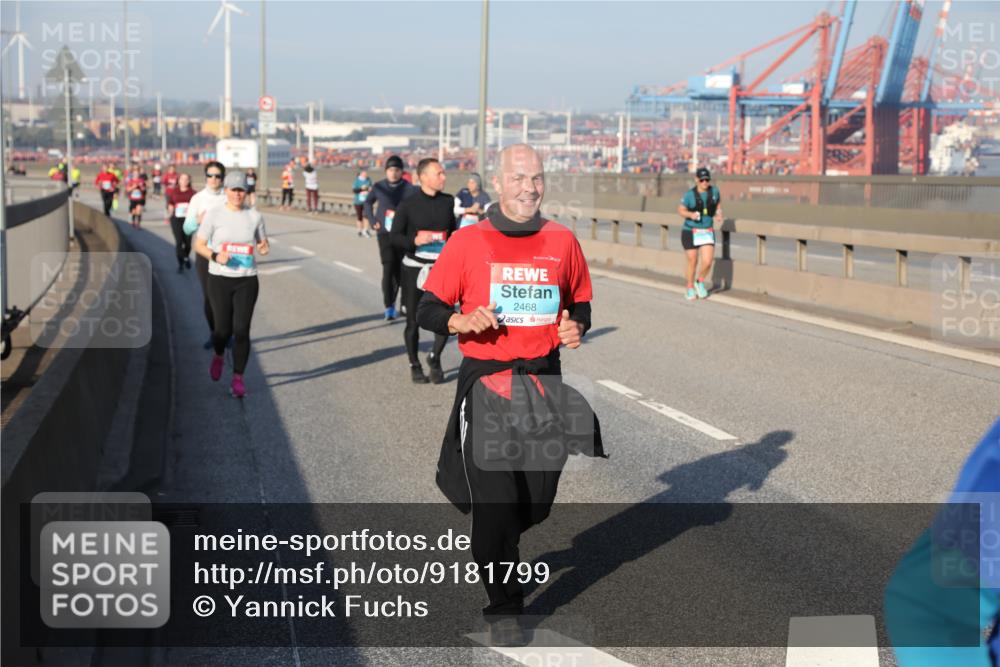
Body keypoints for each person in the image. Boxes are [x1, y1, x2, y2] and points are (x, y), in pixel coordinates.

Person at [416, 144, 604, 644]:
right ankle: (504, 606)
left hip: (544, 384)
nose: (530, 187)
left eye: (537, 178)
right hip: (489, 386)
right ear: (498, 183)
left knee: (536, 503)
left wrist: (576, 325)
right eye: (519, 177)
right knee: (497, 505)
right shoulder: (468, 241)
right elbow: (427, 308)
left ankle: (499, 541)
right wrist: (459, 319)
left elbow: (580, 299)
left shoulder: (562, 240)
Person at [193, 170, 269, 398]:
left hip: (247, 279)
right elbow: (200, 245)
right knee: (222, 330)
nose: (237, 194)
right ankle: (218, 354)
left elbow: (262, 244)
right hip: (219, 279)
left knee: (242, 330)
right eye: (233, 190)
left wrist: (264, 248)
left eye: (241, 190)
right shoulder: (214, 215)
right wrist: (216, 256)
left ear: (246, 192)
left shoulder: (255, 216)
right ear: (226, 191)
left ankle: (238, 378)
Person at [390, 158, 456, 384]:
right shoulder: (407, 204)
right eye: (439, 174)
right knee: (413, 322)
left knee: (445, 319)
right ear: (423, 177)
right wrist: (414, 240)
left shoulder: (449, 202)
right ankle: (414, 365)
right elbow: (395, 237)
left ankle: (434, 357)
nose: (443, 177)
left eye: (443, 173)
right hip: (414, 269)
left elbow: (454, 232)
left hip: (442, 269)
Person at [364, 155, 417, 320]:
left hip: (403, 235)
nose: (393, 173)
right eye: (390, 170)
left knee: (403, 270)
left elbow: (418, 208)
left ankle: (405, 303)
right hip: (385, 234)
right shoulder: (378, 187)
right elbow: (367, 203)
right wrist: (373, 222)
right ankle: (389, 306)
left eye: (397, 170)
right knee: (388, 269)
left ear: (402, 172)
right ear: (386, 171)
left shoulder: (410, 189)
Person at [183, 161, 227, 349]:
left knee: (225, 297)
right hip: (204, 252)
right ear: (205, 177)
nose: (213, 179)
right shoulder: (198, 198)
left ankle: (226, 333)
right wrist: (197, 220)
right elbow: (186, 228)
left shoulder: (229, 196)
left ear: (222, 178)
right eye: (210, 175)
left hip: (226, 253)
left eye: (217, 176)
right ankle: (214, 333)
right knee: (209, 297)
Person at [676, 166, 723, 300]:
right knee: (693, 260)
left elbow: (717, 204)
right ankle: (690, 287)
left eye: (707, 179)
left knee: (707, 262)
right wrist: (690, 214)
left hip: (706, 230)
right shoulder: (689, 195)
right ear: (696, 180)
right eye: (702, 180)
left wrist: (719, 213)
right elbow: (680, 210)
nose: (704, 182)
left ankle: (699, 282)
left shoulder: (714, 191)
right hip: (690, 231)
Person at [167, 173, 197, 272]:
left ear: (189, 181)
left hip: (189, 220)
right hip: (176, 219)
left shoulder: (193, 193)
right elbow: (171, 203)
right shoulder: (174, 192)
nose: (184, 181)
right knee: (179, 242)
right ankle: (182, 262)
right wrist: (170, 213)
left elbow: (198, 206)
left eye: (186, 179)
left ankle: (186, 257)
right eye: (182, 179)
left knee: (187, 244)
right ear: (178, 180)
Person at [352, 170, 372, 237]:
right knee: (359, 217)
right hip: (358, 201)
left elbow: (371, 188)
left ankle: (365, 230)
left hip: (367, 201)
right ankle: (359, 230)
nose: (366, 174)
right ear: (361, 174)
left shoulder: (369, 180)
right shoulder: (357, 181)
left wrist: (370, 189)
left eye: (366, 173)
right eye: (364, 173)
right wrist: (362, 189)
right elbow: (354, 190)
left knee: (367, 216)